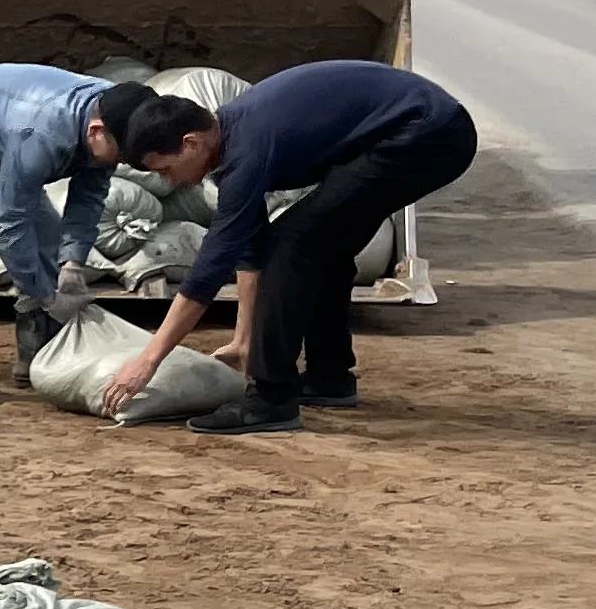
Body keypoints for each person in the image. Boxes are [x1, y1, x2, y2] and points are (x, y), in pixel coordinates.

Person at [97, 61, 478, 432]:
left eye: (165, 169)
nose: (170, 180)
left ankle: (269, 398)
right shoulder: (230, 137)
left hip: (427, 133)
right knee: (323, 244)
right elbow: (249, 244)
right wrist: (243, 338)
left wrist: (148, 361)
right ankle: (329, 377)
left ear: (191, 143)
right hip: (422, 127)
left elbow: (210, 268)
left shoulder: (248, 151)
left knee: (293, 245)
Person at [0, 66, 161, 404]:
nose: (120, 163)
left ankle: (34, 356)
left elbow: (89, 197)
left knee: (47, 236)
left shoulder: (121, 112)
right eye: (121, 156)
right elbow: (7, 231)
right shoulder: (43, 132)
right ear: (96, 132)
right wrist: (48, 297)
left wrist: (73, 265)